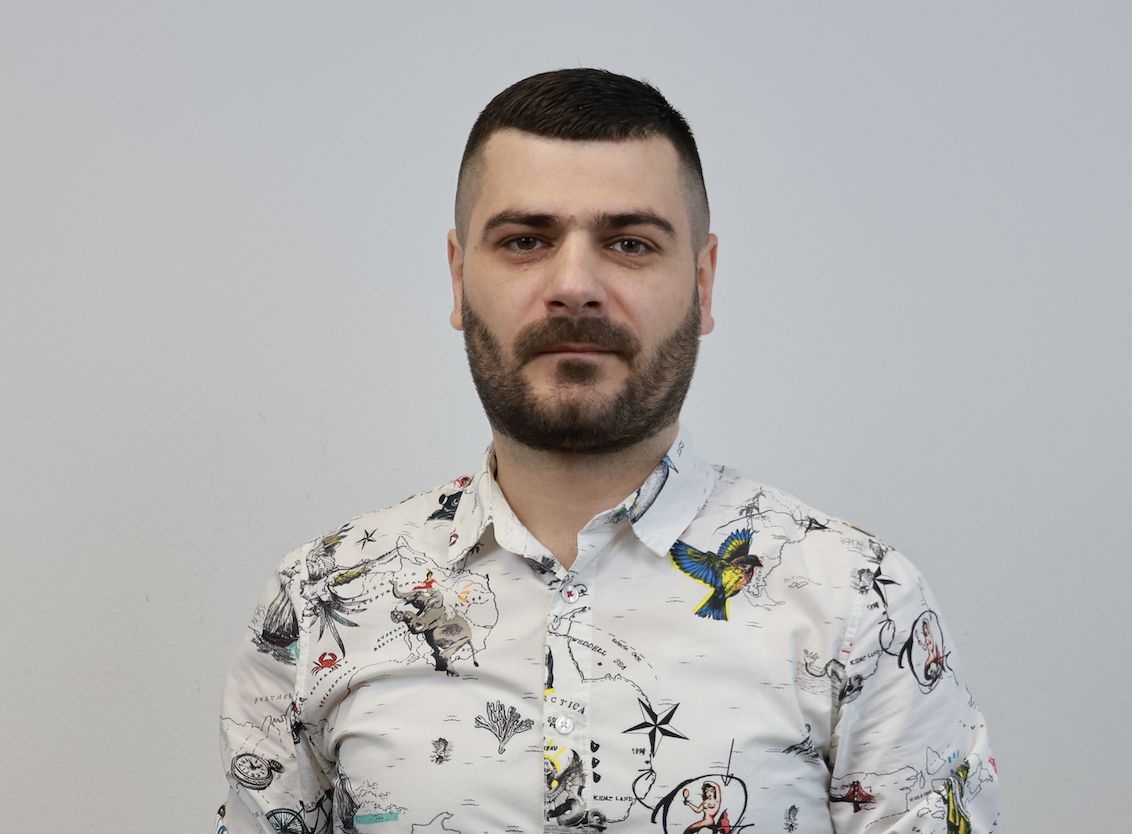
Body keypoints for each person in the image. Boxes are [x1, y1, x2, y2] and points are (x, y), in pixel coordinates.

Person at [217, 69, 998, 833]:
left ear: (703, 282)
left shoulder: (859, 604)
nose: (574, 285)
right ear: (458, 279)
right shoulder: (319, 601)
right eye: (525, 241)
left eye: (629, 243)